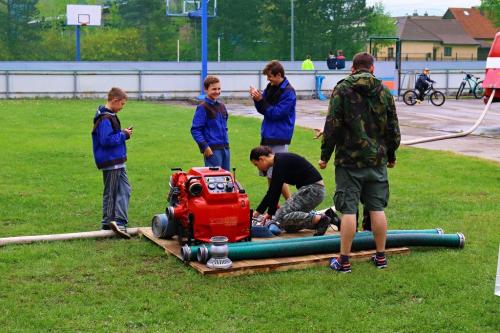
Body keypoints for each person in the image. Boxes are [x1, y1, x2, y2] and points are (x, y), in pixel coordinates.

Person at [319, 52, 401, 273]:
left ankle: (344, 261)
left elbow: (332, 125)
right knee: (377, 208)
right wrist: (391, 155)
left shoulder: (342, 89)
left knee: (348, 210)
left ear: (352, 68)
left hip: (349, 161)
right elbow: (393, 128)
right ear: (372, 68)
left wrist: (325, 156)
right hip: (377, 161)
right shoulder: (384, 91)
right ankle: (381, 257)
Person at [250, 146, 335, 236]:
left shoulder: (280, 162)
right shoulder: (279, 162)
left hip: (312, 190)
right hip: (315, 191)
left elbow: (274, 192)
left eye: (256, 165)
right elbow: (272, 191)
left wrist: (269, 213)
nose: (258, 168)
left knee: (280, 218)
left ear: (261, 159)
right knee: (288, 226)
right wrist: (258, 212)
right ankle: (330, 217)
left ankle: (321, 219)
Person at [249, 60, 296, 204]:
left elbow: (276, 113)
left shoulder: (289, 93)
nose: (268, 80)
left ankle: (291, 204)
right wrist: (257, 99)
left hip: (279, 136)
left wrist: (261, 100)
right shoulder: (271, 87)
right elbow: (263, 109)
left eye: (270, 76)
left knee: (277, 174)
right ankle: (274, 206)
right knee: (270, 174)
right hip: (268, 134)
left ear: (279, 75)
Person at [92, 87, 133, 239]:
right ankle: (107, 222)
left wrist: (123, 133)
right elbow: (105, 140)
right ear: (114, 101)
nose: (122, 107)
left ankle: (120, 222)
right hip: (111, 162)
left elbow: (111, 136)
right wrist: (123, 135)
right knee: (111, 192)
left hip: (118, 160)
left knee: (125, 190)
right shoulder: (104, 119)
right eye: (122, 104)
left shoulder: (110, 115)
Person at [191, 75, 230, 171]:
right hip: (212, 150)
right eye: (213, 89)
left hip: (225, 148)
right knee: (214, 180)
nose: (217, 91)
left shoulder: (222, 106)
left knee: (226, 179)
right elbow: (195, 130)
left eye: (219, 89)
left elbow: (224, 126)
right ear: (206, 90)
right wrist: (205, 147)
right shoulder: (202, 107)